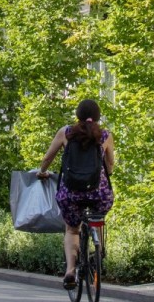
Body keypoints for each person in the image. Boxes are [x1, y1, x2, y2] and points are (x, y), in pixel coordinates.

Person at [36, 97, 115, 289]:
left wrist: (42, 172)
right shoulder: (105, 135)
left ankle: (70, 271)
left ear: (77, 115)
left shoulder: (66, 133)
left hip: (71, 193)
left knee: (72, 229)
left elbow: (48, 157)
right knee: (97, 214)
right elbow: (110, 166)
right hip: (99, 194)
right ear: (97, 117)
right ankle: (96, 239)